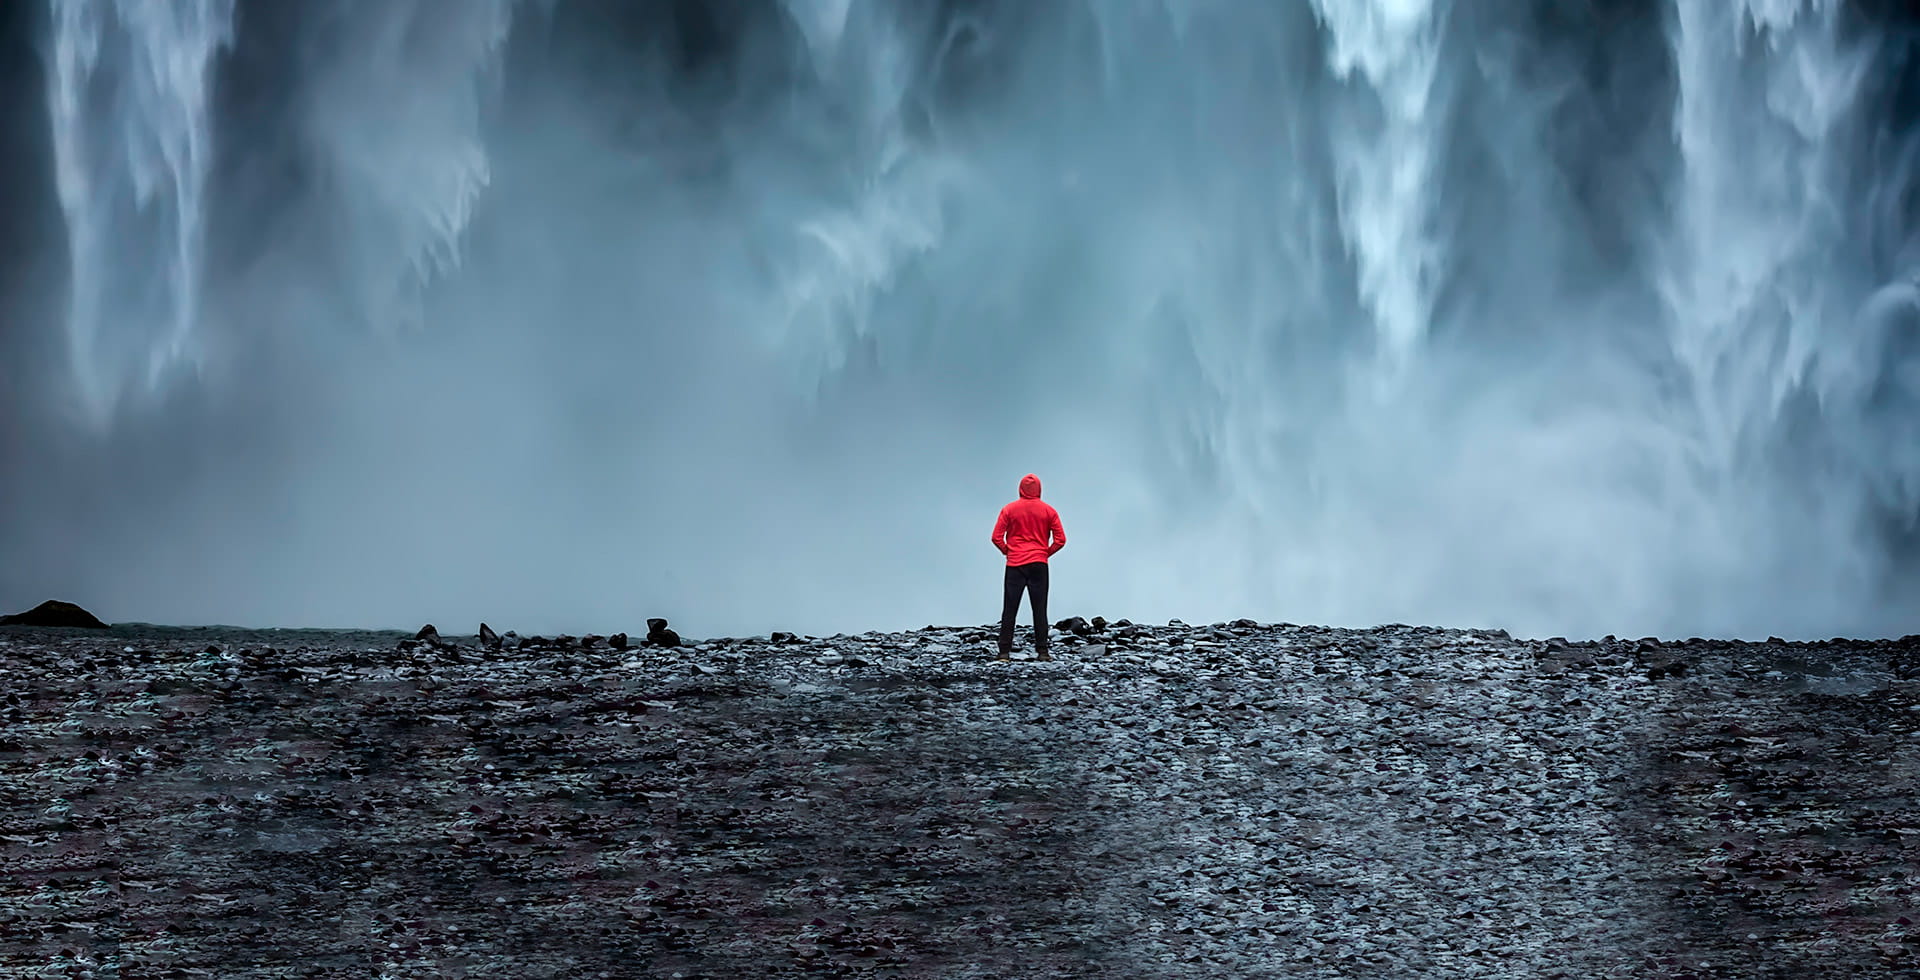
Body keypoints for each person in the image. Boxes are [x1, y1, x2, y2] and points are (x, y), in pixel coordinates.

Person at [991, 473, 1065, 660]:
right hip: (1039, 564)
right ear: (1039, 489)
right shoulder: (1049, 511)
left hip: (1015, 564)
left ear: (1020, 489)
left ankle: (1004, 652)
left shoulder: (1009, 509)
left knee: (1010, 609)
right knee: (1039, 609)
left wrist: (1008, 551)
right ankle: (1042, 651)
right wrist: (1045, 553)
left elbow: (996, 537)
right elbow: (1060, 540)